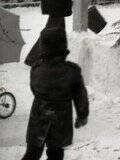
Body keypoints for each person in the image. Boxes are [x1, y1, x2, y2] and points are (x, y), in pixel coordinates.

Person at [22, 27, 89, 160]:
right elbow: (80, 96)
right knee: (56, 153)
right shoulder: (72, 71)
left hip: (38, 117)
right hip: (61, 120)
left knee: (32, 152)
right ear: (63, 45)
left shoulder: (36, 68)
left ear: (43, 47)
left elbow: (34, 88)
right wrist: (82, 116)